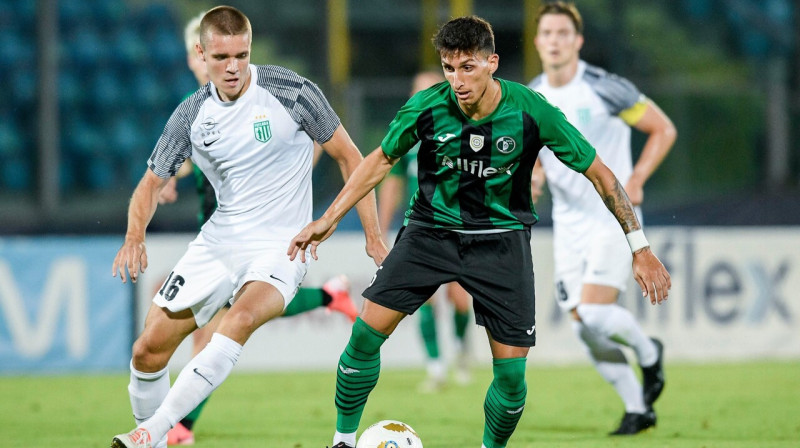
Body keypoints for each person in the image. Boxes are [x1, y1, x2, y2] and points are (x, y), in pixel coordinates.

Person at [288, 15, 671, 448]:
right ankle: (341, 440)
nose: (457, 79)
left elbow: (601, 174)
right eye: (449, 68)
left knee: (510, 381)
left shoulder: (531, 110)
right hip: (429, 233)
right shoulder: (427, 106)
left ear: (492, 62)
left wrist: (639, 246)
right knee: (363, 337)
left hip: (501, 242)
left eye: (467, 67)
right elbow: (378, 161)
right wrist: (329, 219)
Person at [110, 6, 387, 448]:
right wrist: (133, 237)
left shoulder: (291, 91)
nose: (234, 67)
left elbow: (353, 158)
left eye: (242, 54)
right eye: (221, 58)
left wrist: (372, 235)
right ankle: (157, 440)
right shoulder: (191, 116)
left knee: (237, 319)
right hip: (220, 241)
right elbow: (149, 184)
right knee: (147, 350)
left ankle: (151, 432)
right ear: (201, 54)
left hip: (282, 245)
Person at [528, 1, 677, 436]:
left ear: (577, 42)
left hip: (613, 215)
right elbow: (538, 153)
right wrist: (535, 175)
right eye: (547, 34)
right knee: (581, 326)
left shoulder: (604, 88)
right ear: (537, 42)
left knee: (594, 312)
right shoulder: (533, 95)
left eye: (562, 34)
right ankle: (638, 409)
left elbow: (663, 128)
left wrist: (638, 177)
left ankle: (650, 354)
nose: (554, 41)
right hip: (569, 223)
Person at [377, 70, 473, 392]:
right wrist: (382, 225)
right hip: (422, 225)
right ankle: (435, 368)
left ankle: (460, 352)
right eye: (417, 92)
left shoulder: (461, 130)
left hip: (461, 225)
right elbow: (392, 180)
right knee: (427, 297)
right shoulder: (409, 135)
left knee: (460, 298)